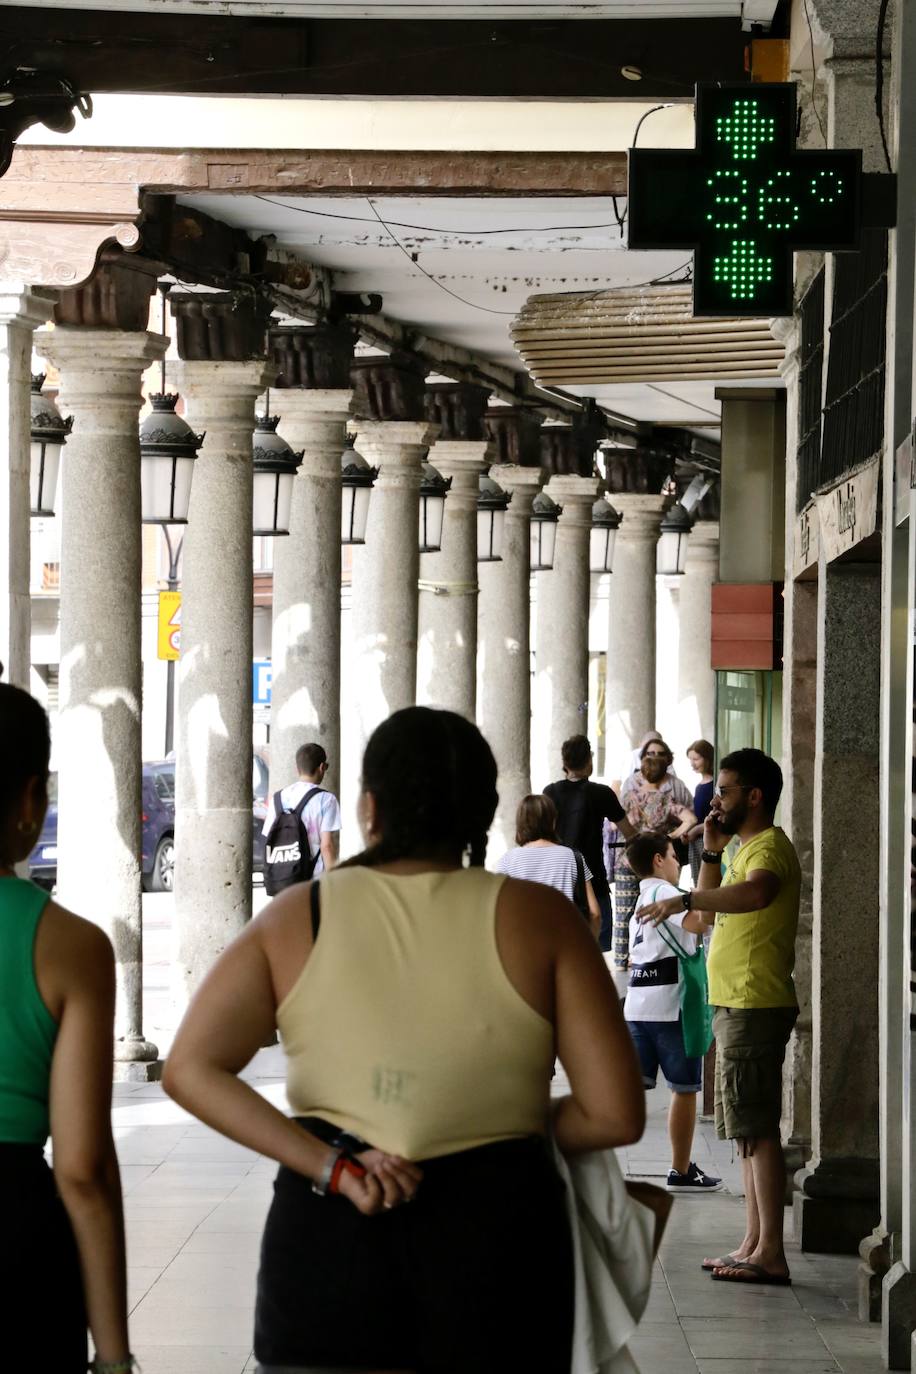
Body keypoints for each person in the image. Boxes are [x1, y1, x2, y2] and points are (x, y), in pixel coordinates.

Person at [163, 706, 645, 1374]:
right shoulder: (542, 921)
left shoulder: (297, 916)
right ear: (483, 814)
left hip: (331, 1229)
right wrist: (495, 1118)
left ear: (367, 808)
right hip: (501, 1232)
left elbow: (190, 1068)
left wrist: (329, 1162)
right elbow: (616, 1112)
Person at [0, 683, 133, 1372]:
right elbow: (82, 1170)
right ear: (30, 799)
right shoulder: (69, 946)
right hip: (14, 1244)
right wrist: (112, 1356)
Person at [639, 748, 801, 1286]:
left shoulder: (769, 849)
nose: (714, 801)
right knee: (744, 1135)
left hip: (755, 1001)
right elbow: (703, 916)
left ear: (754, 796)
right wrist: (708, 852)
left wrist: (684, 891)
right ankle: (753, 1243)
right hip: (734, 1000)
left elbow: (755, 894)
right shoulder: (737, 848)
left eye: (725, 791)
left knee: (757, 1129)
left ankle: (770, 1252)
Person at [623, 831, 721, 1193]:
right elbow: (700, 922)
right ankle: (681, 1169)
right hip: (670, 1007)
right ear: (658, 860)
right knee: (684, 1089)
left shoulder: (639, 900)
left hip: (637, 1006)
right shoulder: (665, 893)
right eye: (674, 856)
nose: (679, 863)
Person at [544, 734, 634, 954]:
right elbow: (630, 832)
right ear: (589, 761)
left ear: (564, 763)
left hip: (558, 878)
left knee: (560, 946)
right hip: (594, 877)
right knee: (593, 948)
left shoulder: (550, 792)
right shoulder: (602, 793)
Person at [614, 739, 696, 972]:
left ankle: (622, 960)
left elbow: (612, 826)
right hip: (655, 857)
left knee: (624, 911)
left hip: (627, 857)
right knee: (658, 905)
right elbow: (690, 818)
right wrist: (671, 836)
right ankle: (650, 954)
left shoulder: (628, 796)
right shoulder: (664, 798)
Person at [496, 793, 602, 939]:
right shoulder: (572, 856)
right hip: (565, 943)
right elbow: (594, 913)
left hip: (524, 944)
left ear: (520, 823)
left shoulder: (507, 861)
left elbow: (498, 913)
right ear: (553, 820)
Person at [262, 742, 341, 877]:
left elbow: (268, 837)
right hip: (313, 878)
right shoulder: (326, 799)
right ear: (322, 767)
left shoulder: (278, 798)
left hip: (282, 879)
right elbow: (326, 846)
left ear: (297, 769)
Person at [685, 739, 715, 884]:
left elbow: (717, 818)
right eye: (690, 759)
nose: (692, 763)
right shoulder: (699, 786)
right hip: (696, 842)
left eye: (696, 759)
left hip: (709, 841)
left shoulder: (714, 785)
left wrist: (696, 830)